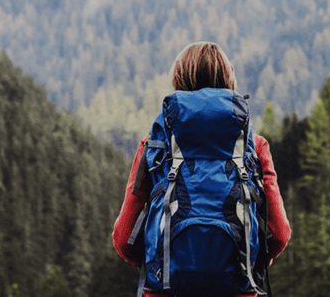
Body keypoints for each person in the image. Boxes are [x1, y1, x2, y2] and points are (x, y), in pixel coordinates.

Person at [113, 42, 291, 297]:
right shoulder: (255, 146)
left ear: (179, 79)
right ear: (228, 79)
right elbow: (281, 234)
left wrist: (162, 261)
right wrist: (249, 259)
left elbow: (123, 238)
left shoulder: (154, 145)